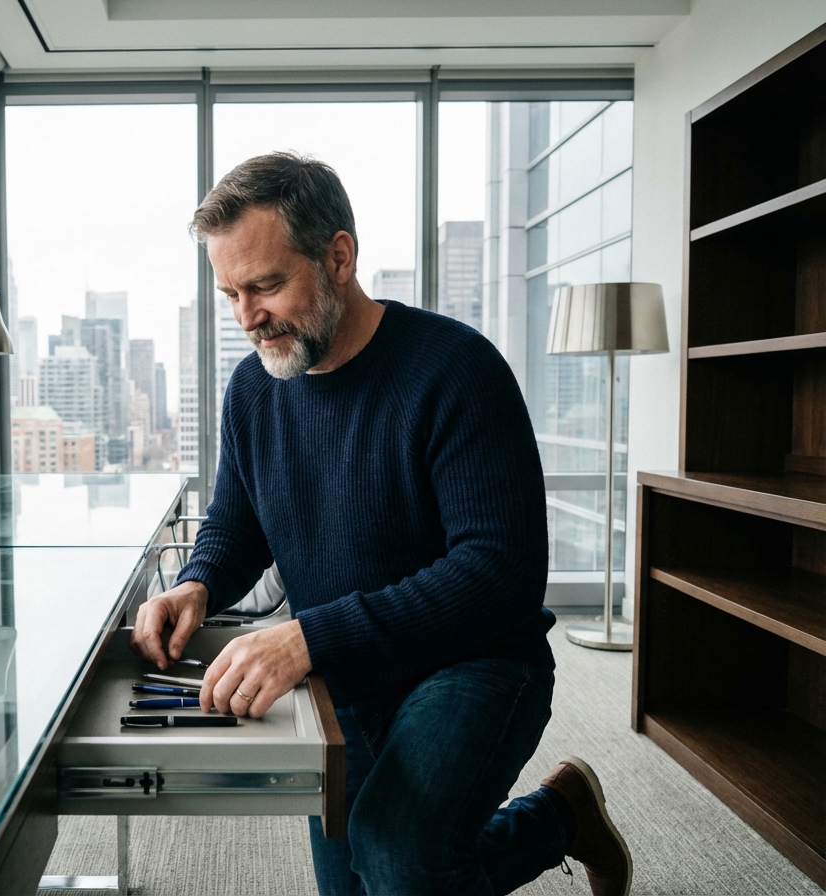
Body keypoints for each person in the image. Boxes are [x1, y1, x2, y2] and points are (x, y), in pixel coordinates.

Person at [130, 152, 632, 896]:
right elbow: (238, 525)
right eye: (230, 292)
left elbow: (501, 575)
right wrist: (197, 584)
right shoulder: (253, 391)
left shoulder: (457, 369)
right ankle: (563, 813)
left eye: (266, 285)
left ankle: (550, 820)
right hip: (345, 673)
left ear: (339, 257)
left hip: (477, 661)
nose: (246, 316)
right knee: (362, 885)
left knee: (397, 856)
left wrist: (310, 637)